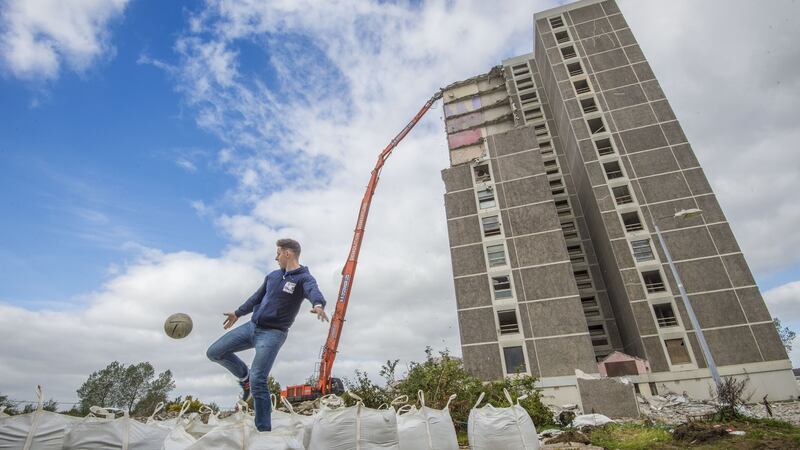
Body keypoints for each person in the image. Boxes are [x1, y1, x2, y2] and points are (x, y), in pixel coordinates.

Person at [206, 238, 328, 431]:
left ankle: (263, 431)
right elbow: (256, 297)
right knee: (214, 352)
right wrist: (238, 313)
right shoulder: (272, 276)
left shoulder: (304, 278)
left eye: (278, 253)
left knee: (259, 380)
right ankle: (244, 379)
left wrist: (318, 305)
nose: (275, 257)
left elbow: (314, 291)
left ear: (287, 253)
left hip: (272, 334)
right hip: (252, 327)